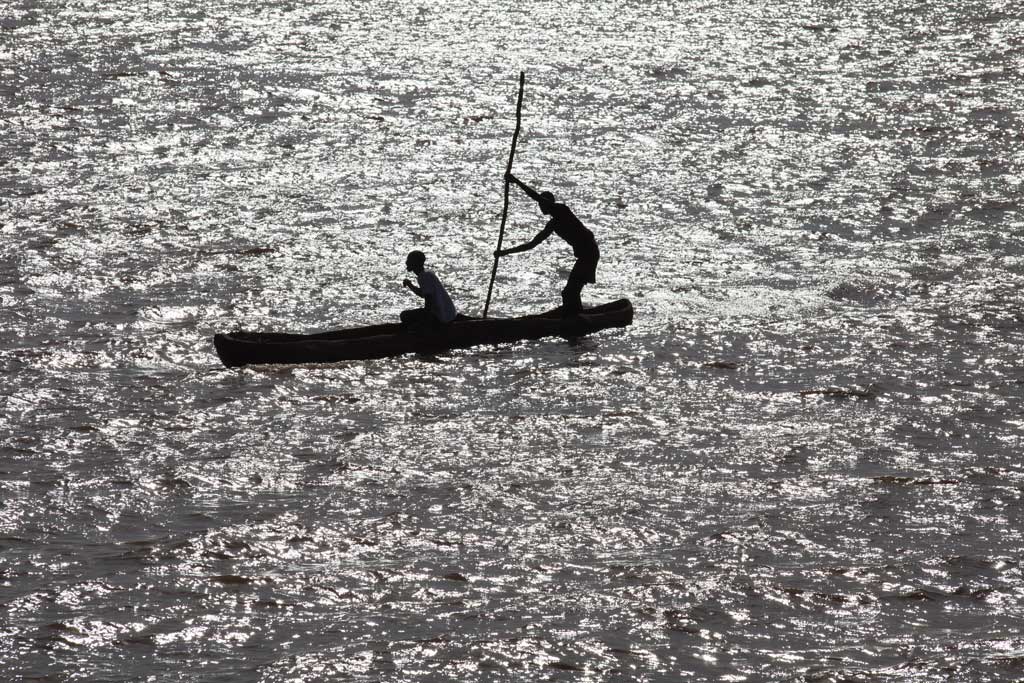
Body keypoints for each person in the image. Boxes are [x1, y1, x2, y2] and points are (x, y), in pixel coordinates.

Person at [495, 173, 599, 315]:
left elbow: (536, 196)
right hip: (585, 255)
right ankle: (575, 315)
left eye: (542, 203)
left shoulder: (562, 210)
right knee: (570, 292)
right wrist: (504, 252)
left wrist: (516, 181)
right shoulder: (552, 224)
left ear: (548, 203)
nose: (540, 206)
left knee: (569, 292)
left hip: (589, 253)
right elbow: (532, 244)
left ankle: (576, 319)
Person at [401, 250, 457, 327]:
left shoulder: (424, 277)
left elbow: (428, 303)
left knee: (404, 315)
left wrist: (424, 321)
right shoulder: (426, 274)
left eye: (409, 260)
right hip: (447, 315)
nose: (406, 263)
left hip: (441, 316)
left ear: (415, 263)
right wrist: (410, 285)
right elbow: (423, 294)